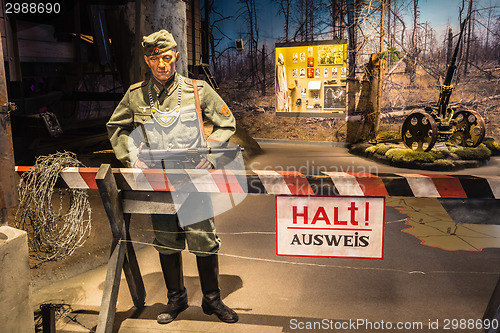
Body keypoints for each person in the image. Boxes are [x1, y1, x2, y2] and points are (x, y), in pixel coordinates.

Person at [106, 30, 238, 325]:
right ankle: (176, 299)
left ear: (176, 56)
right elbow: (117, 127)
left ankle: (212, 299)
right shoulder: (136, 95)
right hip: (157, 179)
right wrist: (132, 156)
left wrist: (212, 155)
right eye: (155, 59)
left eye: (167, 57)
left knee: (203, 238)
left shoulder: (197, 90)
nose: (162, 64)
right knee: (166, 240)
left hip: (192, 176)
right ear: (147, 60)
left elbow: (226, 122)